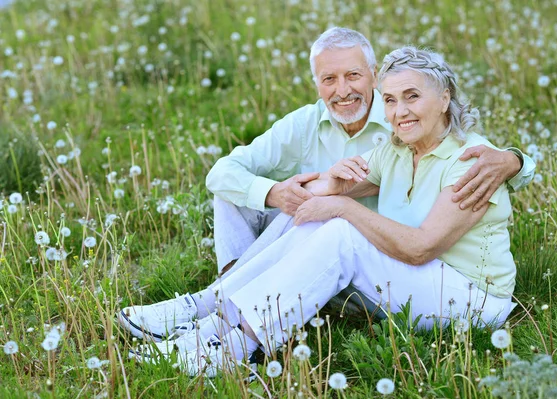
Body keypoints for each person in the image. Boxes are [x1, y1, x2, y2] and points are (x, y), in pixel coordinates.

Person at [117, 27, 534, 343]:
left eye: (412, 97)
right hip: (395, 272)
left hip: (465, 299)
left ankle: (230, 344)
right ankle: (212, 318)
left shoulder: (471, 158)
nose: (399, 111)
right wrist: (310, 188)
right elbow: (294, 197)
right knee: (293, 210)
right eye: (392, 100)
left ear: (444, 98)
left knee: (337, 229)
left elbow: (421, 246)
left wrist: (515, 160)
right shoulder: (397, 146)